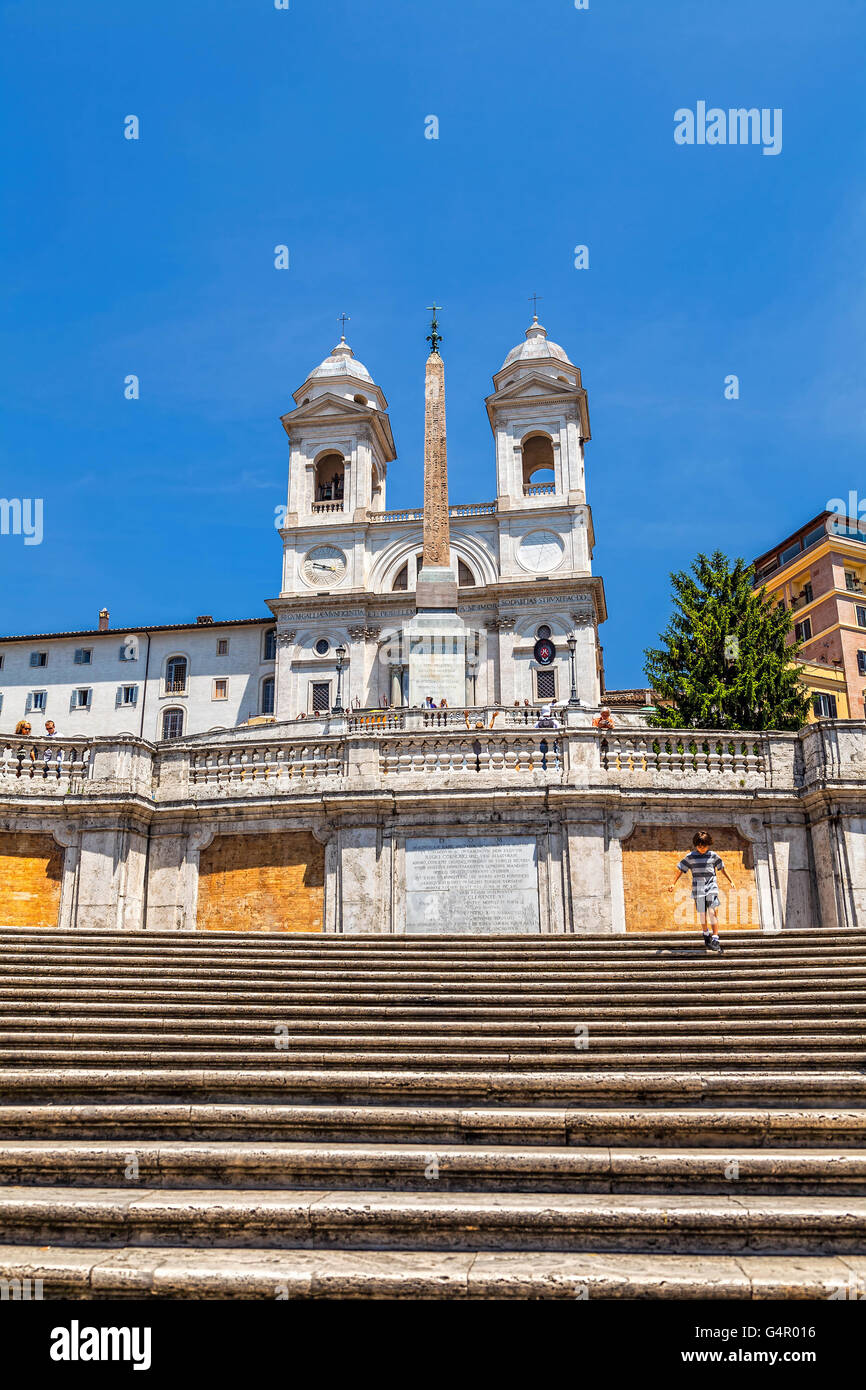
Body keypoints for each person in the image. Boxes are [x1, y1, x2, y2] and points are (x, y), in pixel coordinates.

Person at [668, 831, 735, 954]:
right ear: (696, 845)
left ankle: (715, 938)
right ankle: (706, 935)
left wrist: (731, 881)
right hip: (698, 889)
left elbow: (722, 869)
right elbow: (680, 869)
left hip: (711, 887)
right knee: (703, 914)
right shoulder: (691, 857)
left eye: (703, 846)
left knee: (711, 911)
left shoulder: (713, 856)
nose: (701, 848)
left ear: (708, 844)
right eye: (699, 846)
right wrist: (673, 883)